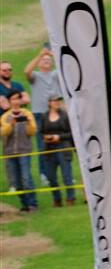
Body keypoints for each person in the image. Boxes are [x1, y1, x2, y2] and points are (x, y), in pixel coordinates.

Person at [24, 47, 61, 185]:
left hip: (55, 113)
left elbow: (66, 68)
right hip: (40, 114)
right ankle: (44, 174)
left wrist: (53, 54)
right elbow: (27, 71)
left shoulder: (56, 74)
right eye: (43, 60)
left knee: (59, 144)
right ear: (39, 63)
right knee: (42, 145)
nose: (46, 61)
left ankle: (59, 173)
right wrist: (39, 55)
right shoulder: (36, 76)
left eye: (48, 60)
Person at [1, 90, 38, 211]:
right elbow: (3, 133)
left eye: (18, 98)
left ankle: (32, 204)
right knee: (16, 181)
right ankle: (24, 204)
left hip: (24, 150)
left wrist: (28, 122)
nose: (16, 101)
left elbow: (32, 132)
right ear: (9, 101)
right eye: (13, 99)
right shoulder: (5, 117)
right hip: (10, 152)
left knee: (26, 178)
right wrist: (10, 124)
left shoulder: (27, 113)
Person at [40, 95, 75, 207]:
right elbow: (41, 132)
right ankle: (57, 199)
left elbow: (71, 133)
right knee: (51, 176)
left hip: (63, 147)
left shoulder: (65, 115)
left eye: (58, 100)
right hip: (49, 149)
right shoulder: (44, 116)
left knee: (66, 175)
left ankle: (70, 198)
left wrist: (58, 137)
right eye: (54, 100)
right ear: (49, 102)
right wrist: (46, 137)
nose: (57, 102)